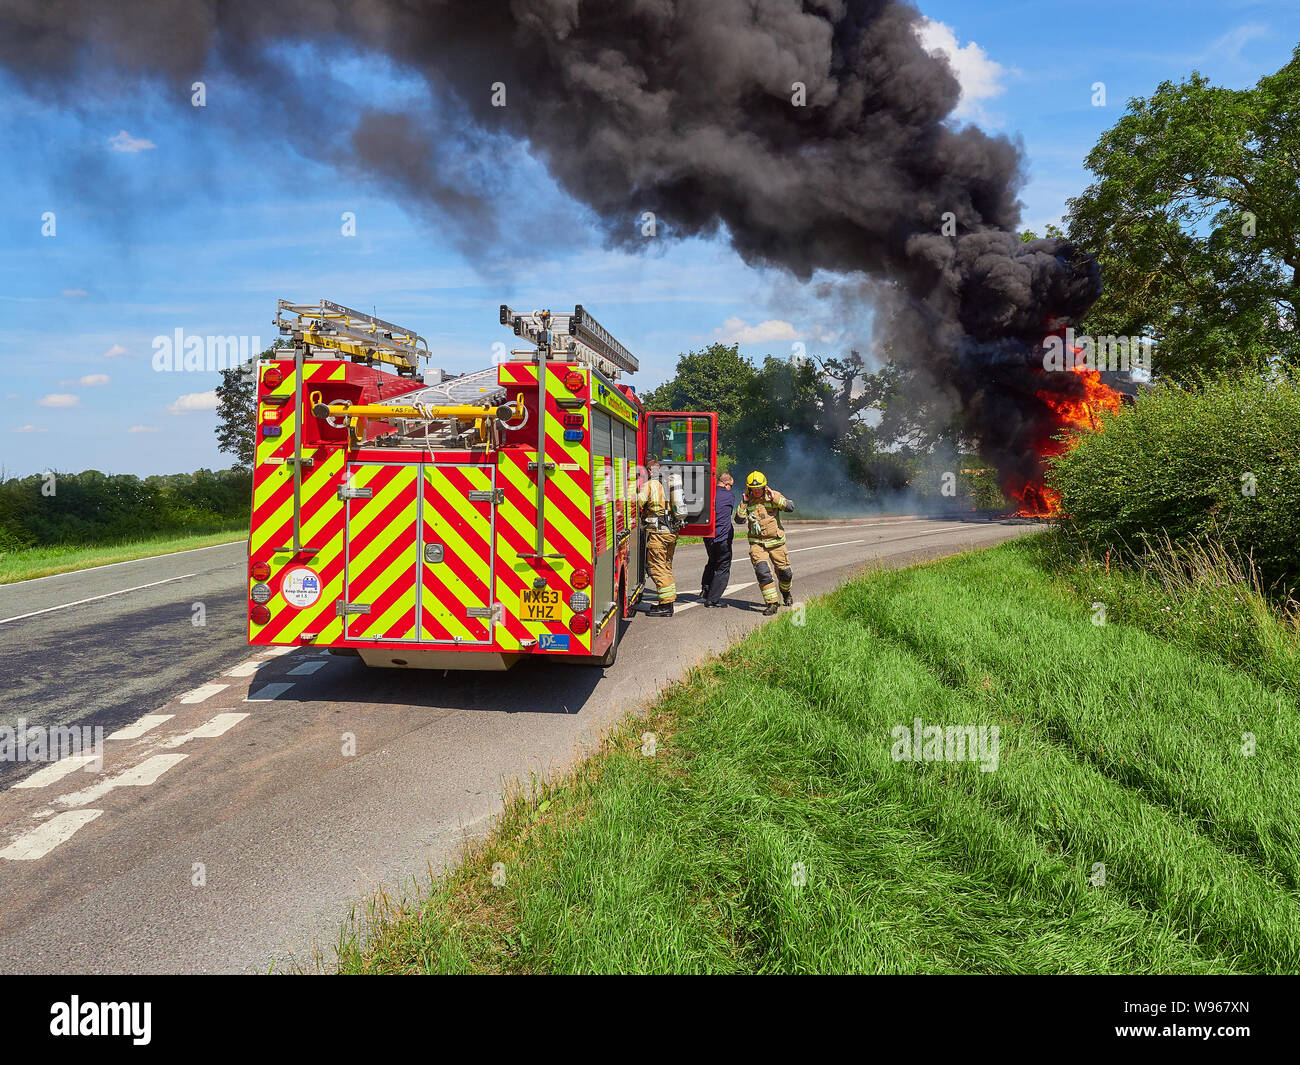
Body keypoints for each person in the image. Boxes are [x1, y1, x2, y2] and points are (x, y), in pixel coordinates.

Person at [734, 470, 795, 615]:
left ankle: (786, 593)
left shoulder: (773, 496)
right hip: (758, 545)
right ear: (749, 489)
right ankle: (772, 603)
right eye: (753, 489)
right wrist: (744, 503)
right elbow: (739, 519)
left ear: (764, 487)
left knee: (785, 573)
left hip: (776, 543)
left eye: (759, 488)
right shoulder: (747, 501)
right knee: (763, 573)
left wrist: (775, 498)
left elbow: (790, 507)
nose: (756, 491)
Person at [637, 457, 683, 617]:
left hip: (659, 534)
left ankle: (665, 606)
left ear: (649, 471)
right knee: (666, 566)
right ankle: (668, 602)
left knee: (657, 567)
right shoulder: (668, 484)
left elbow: (637, 504)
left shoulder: (650, 485)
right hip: (671, 533)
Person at [701, 473, 735, 607]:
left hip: (708, 536)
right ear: (726, 485)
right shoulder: (729, 496)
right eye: (731, 486)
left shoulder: (708, 494)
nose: (731, 488)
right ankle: (712, 600)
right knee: (723, 567)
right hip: (723, 539)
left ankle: (705, 590)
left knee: (712, 562)